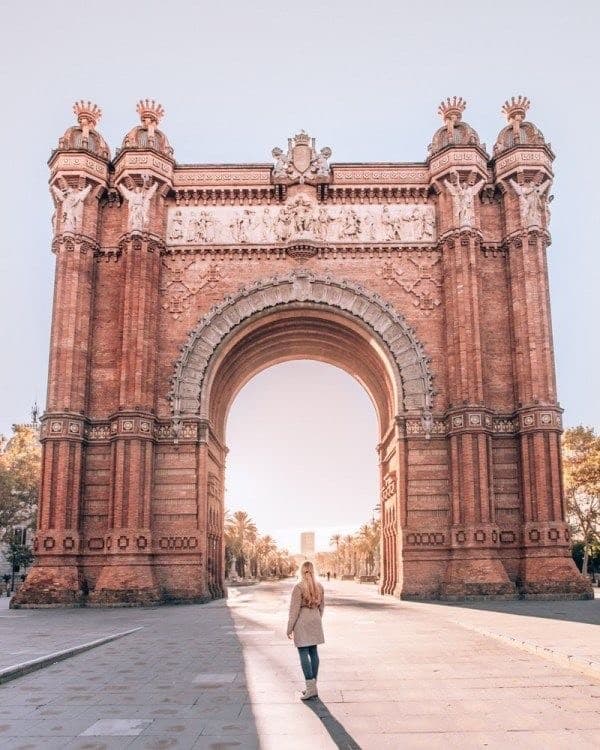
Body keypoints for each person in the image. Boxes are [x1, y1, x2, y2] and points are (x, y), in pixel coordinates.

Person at [287, 561, 325, 700]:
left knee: (303, 651)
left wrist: (289, 627)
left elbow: (294, 610)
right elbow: (322, 607)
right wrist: (316, 619)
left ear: (301, 571)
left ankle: (310, 688)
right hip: (315, 619)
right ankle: (313, 686)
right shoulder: (319, 587)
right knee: (313, 651)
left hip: (302, 621)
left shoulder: (298, 587)